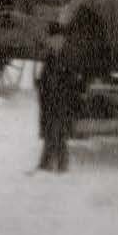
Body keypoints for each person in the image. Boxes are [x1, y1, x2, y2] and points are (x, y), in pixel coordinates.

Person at [36, 30, 79, 174]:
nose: (52, 43)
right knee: (50, 133)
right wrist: (41, 87)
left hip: (61, 103)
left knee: (58, 134)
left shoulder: (67, 57)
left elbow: (71, 82)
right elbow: (44, 78)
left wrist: (64, 97)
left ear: (60, 40)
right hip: (49, 102)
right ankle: (46, 164)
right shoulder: (50, 57)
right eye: (51, 41)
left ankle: (61, 166)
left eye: (54, 40)